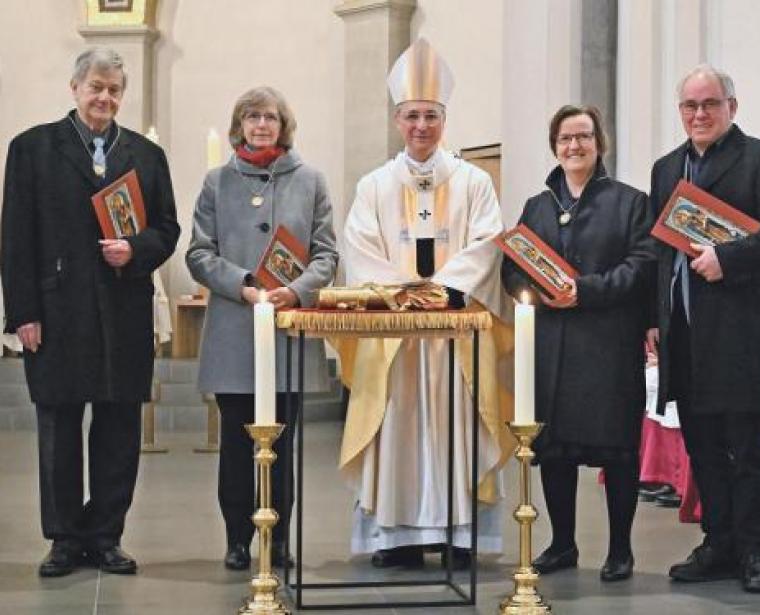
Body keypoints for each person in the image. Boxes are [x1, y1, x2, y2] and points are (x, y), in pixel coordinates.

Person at [0, 47, 180, 577]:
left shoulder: (147, 155)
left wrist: (136, 250)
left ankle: (105, 534)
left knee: (119, 424)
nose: (105, 97)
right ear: (75, 88)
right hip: (56, 312)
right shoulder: (32, 148)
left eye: (114, 90)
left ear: (122, 95)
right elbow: (15, 239)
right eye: (96, 86)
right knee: (57, 423)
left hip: (123, 310)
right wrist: (23, 313)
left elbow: (167, 230)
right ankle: (63, 539)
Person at [341, 38, 513, 569]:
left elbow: (488, 243)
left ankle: (460, 534)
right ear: (398, 119)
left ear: (444, 119)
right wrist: (404, 297)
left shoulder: (474, 182)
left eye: (431, 116)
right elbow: (360, 247)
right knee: (395, 429)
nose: (421, 125)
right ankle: (396, 538)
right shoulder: (373, 186)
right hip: (393, 339)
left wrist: (438, 295)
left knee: (457, 426)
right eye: (412, 115)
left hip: (454, 336)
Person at [647, 64, 760, 593]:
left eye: (710, 104)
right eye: (689, 106)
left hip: (741, 335)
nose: (699, 114)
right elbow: (658, 251)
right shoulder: (667, 169)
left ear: (731, 107)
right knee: (703, 448)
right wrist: (653, 319)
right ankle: (719, 542)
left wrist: (728, 258)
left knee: (748, 449)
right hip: (686, 336)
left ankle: (754, 551)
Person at [186, 86, 337, 571]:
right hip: (235, 327)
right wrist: (245, 284)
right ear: (239, 125)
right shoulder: (216, 182)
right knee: (235, 442)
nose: (261, 125)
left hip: (287, 328)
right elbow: (199, 253)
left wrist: (295, 290)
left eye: (269, 116)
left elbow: (327, 253)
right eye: (252, 117)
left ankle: (281, 539)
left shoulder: (310, 180)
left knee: (285, 446)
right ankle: (236, 538)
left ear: (283, 124)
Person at [501, 105, 655, 582]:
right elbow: (513, 267)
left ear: (599, 143)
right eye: (565, 138)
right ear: (555, 145)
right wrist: (533, 293)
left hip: (608, 345)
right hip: (551, 345)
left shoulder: (631, 201)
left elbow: (642, 265)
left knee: (618, 450)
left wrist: (584, 291)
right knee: (555, 450)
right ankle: (562, 542)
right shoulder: (537, 206)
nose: (574, 146)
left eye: (583, 137)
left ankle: (621, 550)